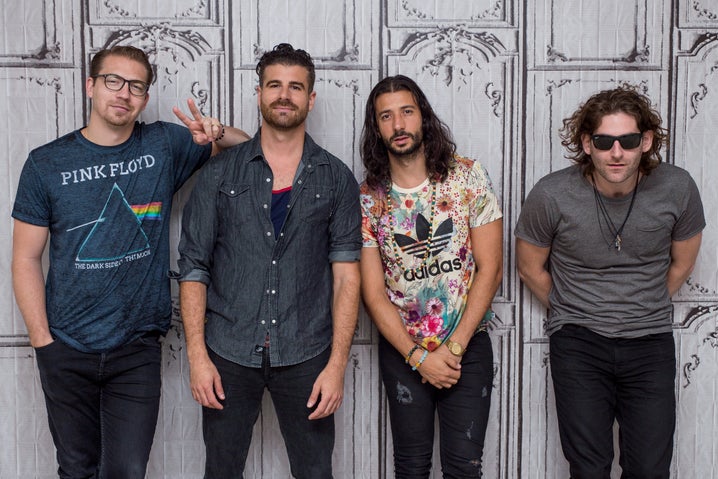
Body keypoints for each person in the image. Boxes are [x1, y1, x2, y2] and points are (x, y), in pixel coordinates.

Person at [11, 45, 249, 479]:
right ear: (91, 86)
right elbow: (25, 257)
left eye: (136, 86)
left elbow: (244, 146)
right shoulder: (45, 163)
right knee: (76, 469)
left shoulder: (164, 144)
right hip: (66, 345)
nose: (123, 93)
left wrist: (216, 131)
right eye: (113, 81)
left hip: (136, 347)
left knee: (126, 471)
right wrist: (43, 342)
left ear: (144, 96)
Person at [176, 43, 361, 479]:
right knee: (221, 470)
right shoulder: (220, 173)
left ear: (310, 99)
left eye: (296, 87)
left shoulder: (336, 178)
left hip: (307, 351)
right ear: (258, 92)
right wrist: (198, 358)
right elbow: (194, 267)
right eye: (274, 85)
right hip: (228, 350)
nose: (284, 95)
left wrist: (336, 368)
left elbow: (346, 278)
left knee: (315, 472)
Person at [515, 86, 705, 478]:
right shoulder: (551, 194)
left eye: (628, 141)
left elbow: (683, 263)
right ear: (587, 144)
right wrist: (576, 306)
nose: (616, 153)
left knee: (650, 469)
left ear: (646, 141)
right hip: (579, 344)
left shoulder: (678, 188)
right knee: (589, 468)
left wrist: (642, 304)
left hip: (649, 343)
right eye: (604, 141)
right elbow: (529, 267)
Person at [359, 75, 503, 477]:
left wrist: (452, 350)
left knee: (463, 467)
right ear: (376, 128)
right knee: (410, 467)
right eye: (385, 117)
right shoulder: (369, 199)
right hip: (403, 350)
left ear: (423, 116)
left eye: (406, 112)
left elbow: (491, 270)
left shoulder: (467, 177)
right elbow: (372, 294)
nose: (398, 125)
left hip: (466, 347)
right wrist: (418, 356)